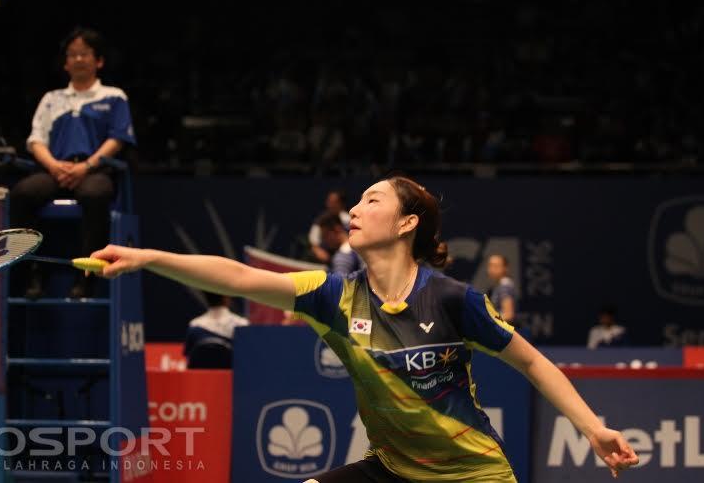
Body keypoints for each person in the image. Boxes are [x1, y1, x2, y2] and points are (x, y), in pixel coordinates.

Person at [88, 176, 638, 482]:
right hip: (393, 471)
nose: (354, 208)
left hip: (470, 475)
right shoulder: (332, 297)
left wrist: (593, 428)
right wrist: (148, 257)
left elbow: (532, 362)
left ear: (406, 223)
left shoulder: (452, 301)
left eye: (371, 200)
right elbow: (237, 275)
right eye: (356, 200)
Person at [10, 27, 135, 299]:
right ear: (66, 63)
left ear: (98, 61)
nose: (78, 59)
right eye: (73, 55)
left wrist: (86, 166)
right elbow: (36, 140)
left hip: (94, 170)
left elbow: (118, 138)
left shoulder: (114, 97)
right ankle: (33, 272)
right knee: (22, 194)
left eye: (85, 54)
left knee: (95, 193)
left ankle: (87, 277)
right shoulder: (51, 99)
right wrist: (54, 166)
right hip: (55, 169)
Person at [184, 292, 249, 369]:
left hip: (201, 378)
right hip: (233, 378)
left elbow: (188, 356)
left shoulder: (195, 325)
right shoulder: (242, 324)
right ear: (226, 298)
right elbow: (246, 358)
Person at [308, 190, 350, 263]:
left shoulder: (349, 220)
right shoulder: (321, 220)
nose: (331, 205)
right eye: (329, 201)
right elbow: (314, 244)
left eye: (334, 202)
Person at [486, 254, 518, 324]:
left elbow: (508, 315)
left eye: (496, 266)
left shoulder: (505, 287)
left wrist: (488, 320)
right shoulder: (497, 286)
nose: (492, 269)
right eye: (490, 265)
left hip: (506, 332)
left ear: (505, 268)